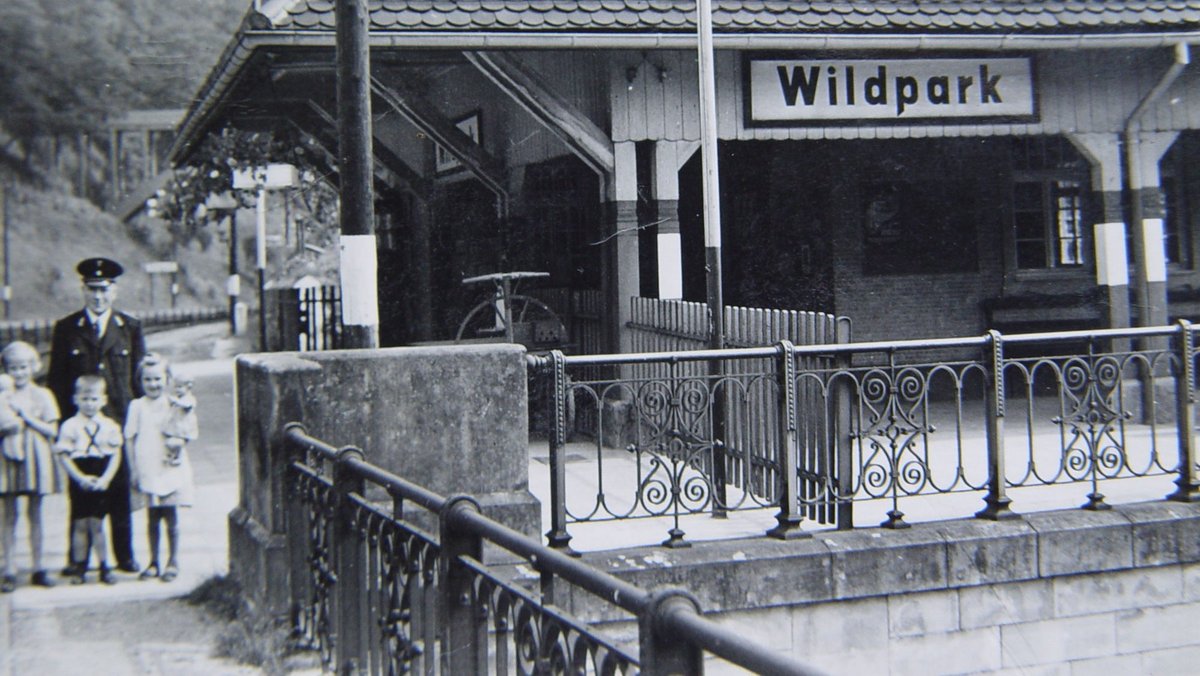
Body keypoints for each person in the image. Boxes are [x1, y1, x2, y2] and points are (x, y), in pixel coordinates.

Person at [47, 257, 144, 575]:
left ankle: (124, 556)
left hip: (117, 424)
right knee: (80, 494)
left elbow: (138, 383)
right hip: (80, 427)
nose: (98, 296)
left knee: (119, 490)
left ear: (114, 291)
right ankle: (78, 559)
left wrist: (138, 426)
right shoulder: (66, 329)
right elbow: (57, 381)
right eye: (92, 289)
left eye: (103, 289)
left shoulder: (130, 328)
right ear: (83, 290)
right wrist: (63, 427)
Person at [125, 354, 195, 582]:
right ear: (140, 381)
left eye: (157, 379)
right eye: (147, 379)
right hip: (147, 467)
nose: (153, 384)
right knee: (152, 516)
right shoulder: (137, 406)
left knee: (171, 515)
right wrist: (133, 469)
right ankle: (153, 561)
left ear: (167, 379)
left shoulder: (174, 404)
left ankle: (173, 561)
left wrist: (179, 445)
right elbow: (129, 439)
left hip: (168, 466)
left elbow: (187, 430)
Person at [0, 342, 62, 592]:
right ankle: (9, 569)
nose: (19, 373)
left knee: (35, 513)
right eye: (13, 368)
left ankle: (39, 567)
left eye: (23, 367)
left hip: (36, 456)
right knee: (9, 514)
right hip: (8, 456)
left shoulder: (43, 395)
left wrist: (27, 418)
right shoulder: (3, 394)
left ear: (34, 367)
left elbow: (52, 430)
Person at [54, 376, 121, 585]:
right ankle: (80, 566)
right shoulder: (70, 426)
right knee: (80, 524)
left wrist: (106, 479)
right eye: (84, 399)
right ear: (75, 399)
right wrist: (79, 477)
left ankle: (105, 566)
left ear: (103, 400)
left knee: (98, 524)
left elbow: (115, 454)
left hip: (100, 473)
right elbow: (63, 455)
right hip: (79, 474)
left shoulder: (109, 425)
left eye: (94, 399)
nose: (89, 404)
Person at [162, 373, 197, 466]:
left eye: (180, 387)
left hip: (184, 427)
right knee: (170, 439)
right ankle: (171, 455)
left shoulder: (189, 398)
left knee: (177, 443)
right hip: (176, 425)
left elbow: (186, 405)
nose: (176, 390)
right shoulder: (179, 398)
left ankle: (177, 456)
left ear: (188, 387)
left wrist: (176, 401)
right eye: (175, 387)